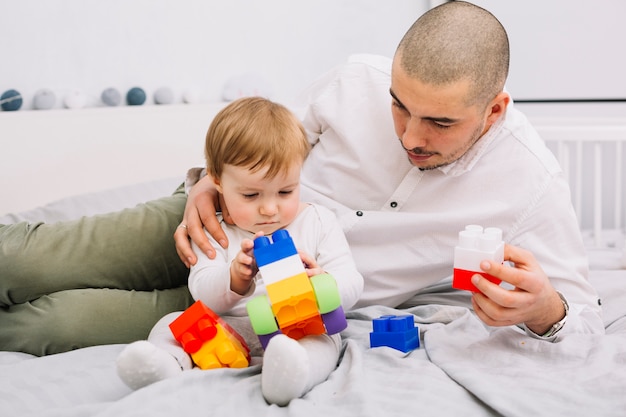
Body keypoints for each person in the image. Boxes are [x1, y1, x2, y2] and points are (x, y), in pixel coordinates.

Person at [0, 1, 603, 356]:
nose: (410, 135)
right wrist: (205, 184)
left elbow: (581, 320)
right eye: (398, 105)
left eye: (440, 122)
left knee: (55, 324)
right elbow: (261, 142)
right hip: (207, 223)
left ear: (494, 109)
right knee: (25, 262)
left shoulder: (532, 185)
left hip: (255, 311)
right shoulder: (351, 82)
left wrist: (545, 308)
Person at [114, 97, 363, 406]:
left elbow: (352, 281)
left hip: (299, 327)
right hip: (233, 327)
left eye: (286, 191)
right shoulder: (213, 231)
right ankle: (167, 365)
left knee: (325, 343)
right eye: (250, 194)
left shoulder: (318, 221)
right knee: (173, 322)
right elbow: (202, 292)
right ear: (216, 181)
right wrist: (234, 280)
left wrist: (323, 281)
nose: (270, 208)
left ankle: (290, 377)